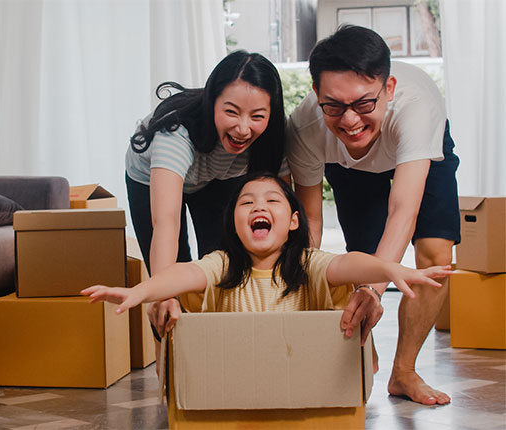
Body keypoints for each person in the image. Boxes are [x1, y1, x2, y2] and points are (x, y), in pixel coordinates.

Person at [286, 25, 461, 405]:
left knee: (434, 255)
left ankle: (404, 372)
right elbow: (310, 224)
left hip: (416, 147)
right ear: (316, 93)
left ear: (390, 89)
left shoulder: (416, 110)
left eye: (365, 104)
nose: (349, 120)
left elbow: (403, 211)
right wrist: (310, 283)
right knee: (362, 258)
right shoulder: (305, 127)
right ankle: (364, 353)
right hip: (349, 165)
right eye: (334, 106)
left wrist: (374, 289)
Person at [82, 173, 451, 334]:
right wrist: (141, 291)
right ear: (235, 223)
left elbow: (346, 262)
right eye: (247, 203)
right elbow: (183, 274)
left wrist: (388, 266)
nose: (259, 207)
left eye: (272, 200)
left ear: (292, 221)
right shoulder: (223, 264)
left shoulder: (306, 264)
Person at [126, 50, 292, 349]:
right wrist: (163, 295)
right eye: (231, 112)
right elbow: (166, 223)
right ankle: (169, 364)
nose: (243, 129)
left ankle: (220, 353)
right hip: (151, 176)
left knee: (221, 264)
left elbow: (284, 213)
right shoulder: (175, 134)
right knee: (169, 277)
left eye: (257, 116)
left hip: (218, 178)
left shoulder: (272, 137)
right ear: (212, 101)